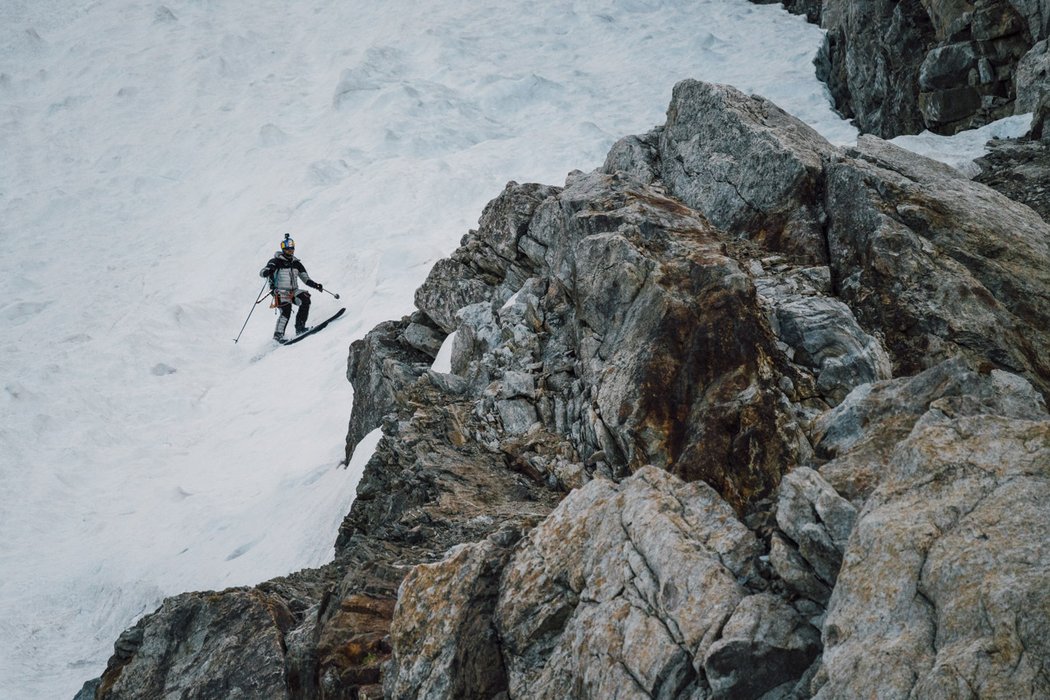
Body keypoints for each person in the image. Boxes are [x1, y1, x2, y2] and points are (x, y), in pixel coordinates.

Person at [259, 233, 324, 341]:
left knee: (305, 299)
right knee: (286, 311)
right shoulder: (275, 261)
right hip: (279, 291)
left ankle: (300, 328)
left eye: (292, 249)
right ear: (283, 249)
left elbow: (305, 279)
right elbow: (262, 273)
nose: (291, 251)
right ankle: (278, 336)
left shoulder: (296, 263)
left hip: (294, 291)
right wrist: (268, 270)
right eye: (288, 250)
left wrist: (316, 285)